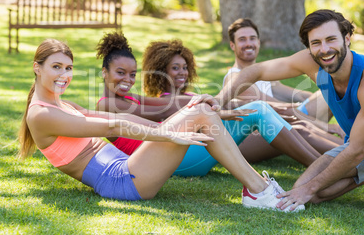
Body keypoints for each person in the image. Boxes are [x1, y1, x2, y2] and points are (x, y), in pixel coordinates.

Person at [19, 38, 305, 212]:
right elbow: (112, 127)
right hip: (121, 181)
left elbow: (124, 119)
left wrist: (182, 122)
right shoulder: (41, 115)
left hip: (128, 169)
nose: (64, 75)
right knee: (199, 113)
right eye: (56, 67)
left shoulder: (61, 104)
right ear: (37, 67)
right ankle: (259, 191)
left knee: (200, 109)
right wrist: (166, 133)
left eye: (68, 68)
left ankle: (257, 188)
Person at [209, 9, 364, 210]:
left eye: (331, 39)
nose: (324, 49)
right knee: (308, 190)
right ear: (309, 47)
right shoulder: (312, 62)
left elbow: (357, 151)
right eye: (316, 43)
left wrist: (308, 190)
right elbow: (256, 71)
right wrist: (217, 101)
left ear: (346, 38)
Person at [96, 32, 320, 177]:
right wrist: (219, 111)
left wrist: (214, 105)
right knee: (260, 110)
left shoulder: (128, 99)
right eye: (120, 73)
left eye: (132, 74)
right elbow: (165, 109)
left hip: (178, 154)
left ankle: (323, 165)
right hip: (168, 163)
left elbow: (173, 102)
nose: (127, 80)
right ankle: (321, 169)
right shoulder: (107, 105)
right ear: (104, 72)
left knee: (261, 111)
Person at [141, 38, 334, 165]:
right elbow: (232, 107)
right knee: (297, 127)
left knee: (297, 125)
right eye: (175, 68)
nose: (182, 72)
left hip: (230, 137)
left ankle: (344, 153)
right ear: (161, 71)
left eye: (184, 67)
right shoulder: (168, 101)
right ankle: (336, 162)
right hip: (221, 146)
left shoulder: (191, 96)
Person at [224, 18, 345, 147]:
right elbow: (279, 109)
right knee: (323, 101)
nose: (248, 43)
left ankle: (355, 131)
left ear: (258, 42)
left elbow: (298, 95)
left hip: (287, 117)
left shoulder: (261, 75)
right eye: (242, 39)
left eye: (252, 38)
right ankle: (348, 145)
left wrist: (323, 100)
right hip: (269, 126)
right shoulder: (235, 78)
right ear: (232, 45)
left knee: (331, 90)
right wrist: (328, 126)